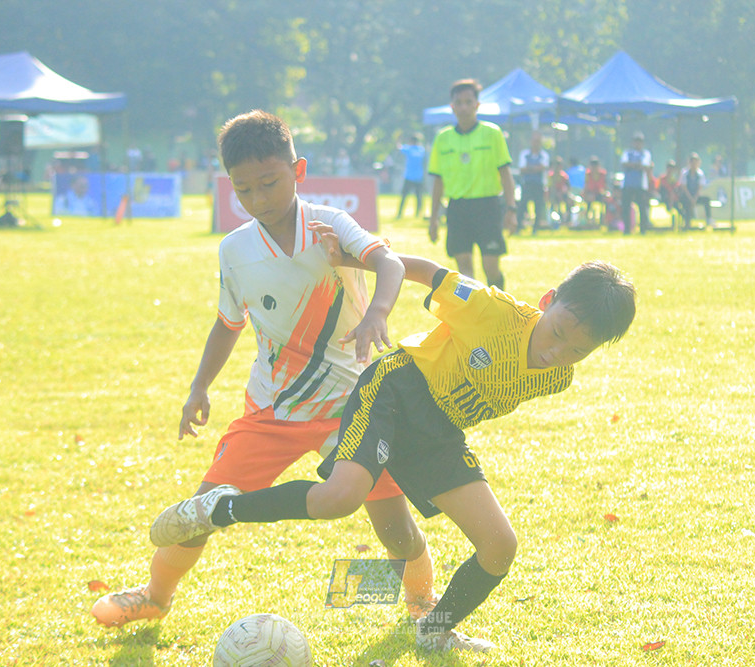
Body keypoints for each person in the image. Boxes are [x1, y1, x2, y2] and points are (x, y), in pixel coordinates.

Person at [150, 249, 636, 653]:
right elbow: (425, 271)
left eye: (578, 349)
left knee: (498, 545)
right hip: (395, 391)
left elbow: (489, 391)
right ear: (548, 301)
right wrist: (363, 266)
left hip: (438, 432)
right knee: (337, 500)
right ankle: (219, 508)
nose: (558, 351)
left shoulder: (557, 377)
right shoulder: (492, 309)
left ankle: (434, 627)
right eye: (559, 331)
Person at [90, 110, 437, 629]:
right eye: (243, 189)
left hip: (354, 410)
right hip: (272, 409)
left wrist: (378, 314)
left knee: (395, 531)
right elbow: (228, 323)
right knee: (203, 510)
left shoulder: (329, 224)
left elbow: (389, 263)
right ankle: (156, 596)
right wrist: (199, 386)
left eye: (269, 183)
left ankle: (419, 606)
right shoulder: (235, 250)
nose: (258, 199)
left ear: (298, 171)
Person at [428, 79, 517, 289]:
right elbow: (438, 182)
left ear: (477, 104)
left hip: (487, 207)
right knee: (464, 269)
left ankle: (499, 310)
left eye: (469, 102)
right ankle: (474, 317)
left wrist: (511, 208)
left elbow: (505, 173)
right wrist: (433, 219)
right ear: (452, 107)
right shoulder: (443, 139)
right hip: (458, 209)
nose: (464, 107)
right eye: (459, 103)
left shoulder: (492, 133)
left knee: (491, 267)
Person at [620, 131, 653, 234]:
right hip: (628, 184)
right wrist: (637, 166)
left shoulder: (646, 153)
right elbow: (624, 164)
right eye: (636, 141)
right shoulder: (627, 152)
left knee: (642, 208)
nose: (637, 144)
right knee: (626, 207)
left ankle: (643, 229)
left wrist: (632, 165)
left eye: (640, 142)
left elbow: (645, 166)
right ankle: (627, 229)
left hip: (640, 185)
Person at [516, 130, 549, 233]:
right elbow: (522, 169)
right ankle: (518, 227)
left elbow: (543, 168)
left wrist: (529, 168)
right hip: (527, 184)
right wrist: (536, 168)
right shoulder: (524, 154)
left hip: (539, 184)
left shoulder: (544, 155)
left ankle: (535, 228)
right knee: (522, 205)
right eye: (534, 141)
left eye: (538, 141)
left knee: (538, 206)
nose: (536, 143)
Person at [678, 152, 713, 229]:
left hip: (695, 196)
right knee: (686, 202)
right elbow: (684, 188)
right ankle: (687, 223)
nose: (694, 164)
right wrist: (691, 198)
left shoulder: (700, 174)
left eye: (696, 162)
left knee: (706, 200)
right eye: (692, 162)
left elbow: (699, 188)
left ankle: (708, 220)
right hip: (687, 196)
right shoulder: (685, 173)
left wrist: (695, 199)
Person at [396, 133, 426, 219]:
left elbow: (399, 147)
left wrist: (398, 139)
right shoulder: (422, 150)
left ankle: (400, 213)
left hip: (409, 176)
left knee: (404, 196)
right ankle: (418, 213)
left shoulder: (409, 149)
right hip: (419, 176)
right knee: (419, 197)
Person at [581, 156, 608, 225]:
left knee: (606, 200)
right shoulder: (588, 174)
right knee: (589, 200)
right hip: (590, 193)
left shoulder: (602, 174)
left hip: (599, 193)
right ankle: (587, 220)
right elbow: (586, 185)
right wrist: (585, 194)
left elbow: (605, 186)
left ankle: (604, 219)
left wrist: (606, 194)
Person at [547, 156, 572, 225]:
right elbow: (549, 187)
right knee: (553, 202)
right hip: (553, 194)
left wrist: (563, 192)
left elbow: (568, 186)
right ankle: (552, 219)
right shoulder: (551, 176)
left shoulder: (564, 176)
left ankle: (567, 219)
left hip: (563, 194)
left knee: (569, 201)